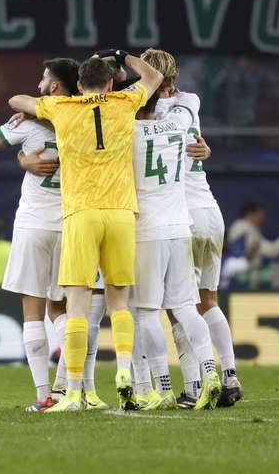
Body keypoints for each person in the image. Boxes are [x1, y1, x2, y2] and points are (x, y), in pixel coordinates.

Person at [0, 59, 107, 411]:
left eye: (45, 78)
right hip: (74, 224)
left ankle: (44, 396)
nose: (39, 81)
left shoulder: (30, 125)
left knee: (33, 311)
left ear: (55, 88)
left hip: (34, 225)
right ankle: (78, 389)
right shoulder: (91, 121)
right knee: (65, 309)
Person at [9, 50, 163, 412]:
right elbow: (153, 77)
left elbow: (16, 99)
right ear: (111, 82)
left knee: (76, 304)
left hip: (80, 214)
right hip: (122, 212)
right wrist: (123, 56)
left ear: (77, 85)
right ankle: (124, 372)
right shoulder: (124, 101)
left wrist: (39, 104)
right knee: (118, 302)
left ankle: (74, 391)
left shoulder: (62, 109)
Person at [154, 54, 246, 406]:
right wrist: (203, 148)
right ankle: (230, 374)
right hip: (211, 212)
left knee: (178, 306)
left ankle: (193, 387)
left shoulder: (142, 112)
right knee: (208, 301)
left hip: (182, 216)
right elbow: (193, 139)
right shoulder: (190, 101)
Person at [127, 80, 222, 411]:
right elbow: (187, 111)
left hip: (147, 232)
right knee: (185, 307)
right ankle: (210, 372)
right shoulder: (179, 122)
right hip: (180, 226)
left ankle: (163, 387)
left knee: (147, 311)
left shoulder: (127, 133)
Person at [224, 203, 279, 290]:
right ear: (250, 214)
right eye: (259, 214)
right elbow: (273, 250)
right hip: (242, 276)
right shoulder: (246, 229)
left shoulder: (239, 226)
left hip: (238, 273)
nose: (262, 217)